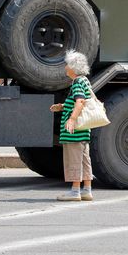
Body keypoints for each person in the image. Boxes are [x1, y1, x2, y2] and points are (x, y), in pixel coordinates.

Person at [49, 50, 94, 202]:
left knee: (74, 160)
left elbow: (80, 101)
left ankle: (75, 191)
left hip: (74, 132)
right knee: (84, 160)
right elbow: (79, 100)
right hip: (84, 131)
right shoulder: (85, 81)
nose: (65, 67)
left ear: (74, 67)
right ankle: (87, 190)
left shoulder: (77, 83)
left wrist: (71, 119)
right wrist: (61, 106)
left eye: (67, 64)